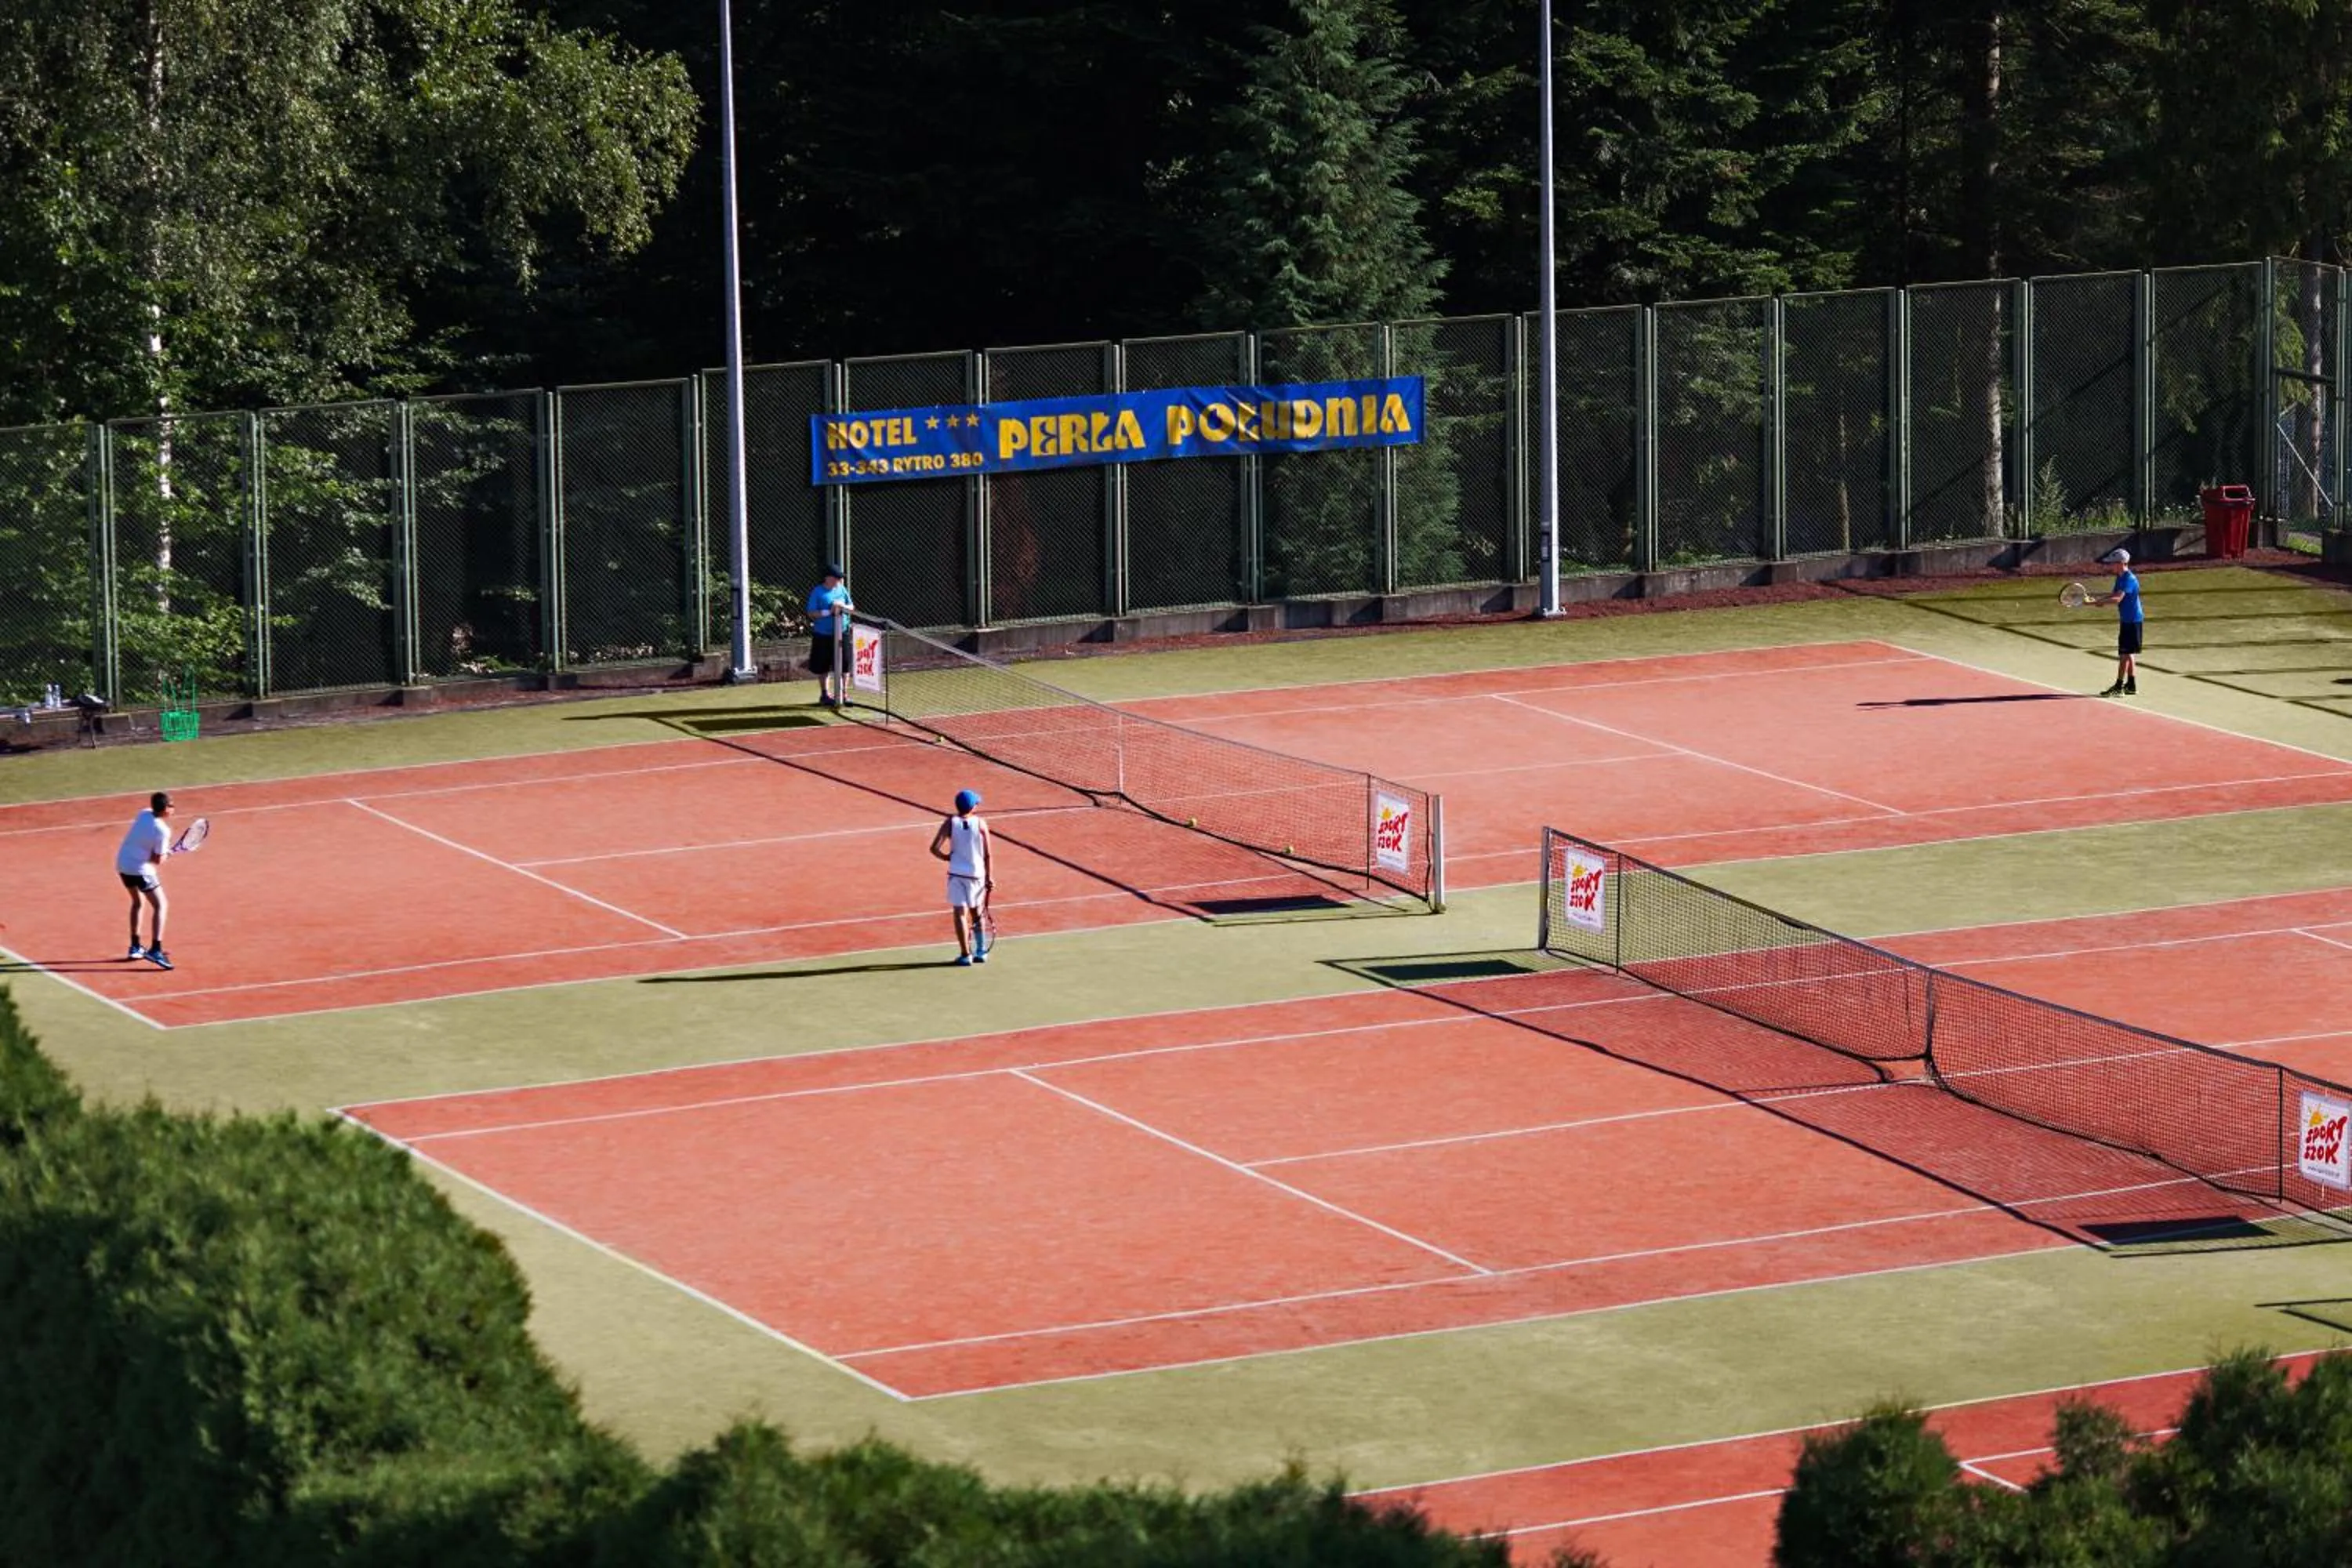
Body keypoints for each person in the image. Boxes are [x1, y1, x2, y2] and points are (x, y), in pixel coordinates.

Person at [114, 790, 179, 969]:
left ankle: (135, 946)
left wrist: (163, 853)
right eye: (171, 806)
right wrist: (168, 854)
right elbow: (158, 860)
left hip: (122, 865)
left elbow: (145, 848)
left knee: (137, 903)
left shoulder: (143, 814)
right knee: (161, 905)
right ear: (165, 809)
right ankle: (156, 950)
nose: (174, 809)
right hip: (141, 870)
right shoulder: (163, 830)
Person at [927, 789, 993, 966]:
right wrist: (989, 877)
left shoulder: (950, 822)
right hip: (977, 875)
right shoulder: (981, 823)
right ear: (973, 806)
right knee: (977, 914)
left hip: (957, 875)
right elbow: (988, 855)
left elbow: (934, 848)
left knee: (960, 914)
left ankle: (965, 955)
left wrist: (947, 857)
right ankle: (981, 951)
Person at [2090, 547, 2143, 697]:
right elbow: (2113, 595)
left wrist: (2098, 603)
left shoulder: (2129, 579)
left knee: (2124, 654)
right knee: (2129, 652)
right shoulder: (2120, 577)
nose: (2110, 566)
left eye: (2113, 563)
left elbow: (2117, 599)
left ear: (2122, 563)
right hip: (2129, 620)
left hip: (2132, 621)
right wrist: (2098, 600)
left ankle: (2119, 687)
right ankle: (2131, 685)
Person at [804, 563, 855, 706]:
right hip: (823, 635)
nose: (839, 580)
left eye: (840, 578)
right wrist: (829, 612)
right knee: (823, 666)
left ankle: (844, 694)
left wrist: (842, 606)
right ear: (828, 578)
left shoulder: (842, 589)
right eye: (837, 578)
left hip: (842, 633)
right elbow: (811, 613)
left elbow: (851, 608)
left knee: (845, 665)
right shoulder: (818, 592)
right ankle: (825, 695)